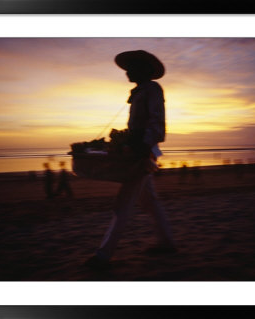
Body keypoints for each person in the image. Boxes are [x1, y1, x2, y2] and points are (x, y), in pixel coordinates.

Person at [85, 50, 176, 268]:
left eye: (130, 68)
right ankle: (166, 242)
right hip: (137, 151)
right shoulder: (141, 91)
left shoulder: (152, 89)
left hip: (140, 154)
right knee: (149, 202)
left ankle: (103, 254)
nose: (126, 72)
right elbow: (136, 127)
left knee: (123, 205)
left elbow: (157, 125)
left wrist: (139, 147)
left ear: (141, 70)